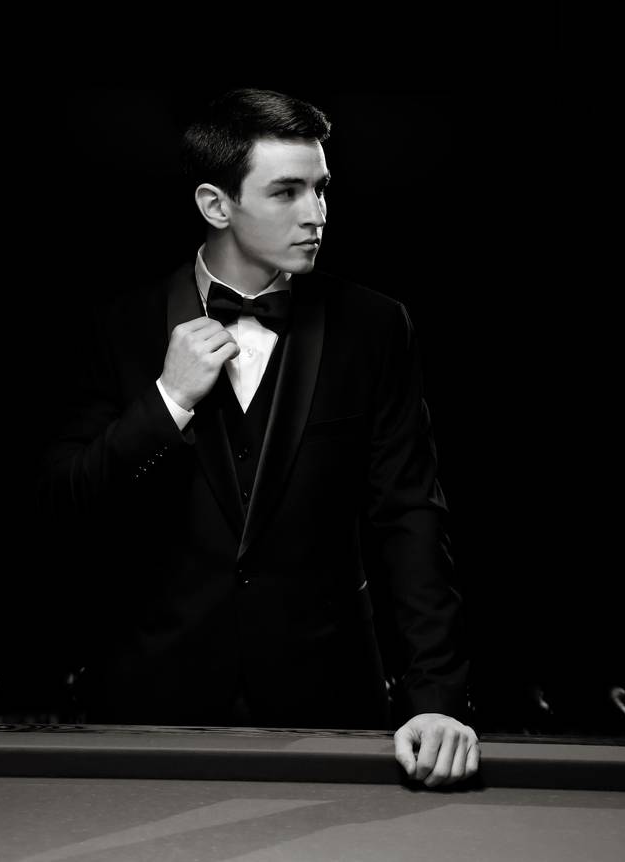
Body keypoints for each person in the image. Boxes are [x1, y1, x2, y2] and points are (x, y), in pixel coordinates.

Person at [41, 87, 479, 787]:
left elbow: (411, 516)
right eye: (286, 192)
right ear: (217, 205)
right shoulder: (118, 326)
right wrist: (168, 400)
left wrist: (436, 698)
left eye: (321, 188)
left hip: (330, 701)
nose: (317, 214)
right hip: (150, 706)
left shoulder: (376, 328)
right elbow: (64, 502)